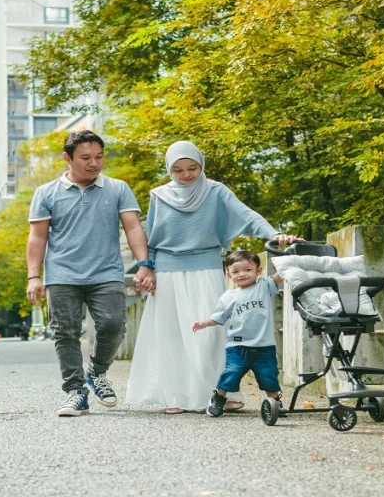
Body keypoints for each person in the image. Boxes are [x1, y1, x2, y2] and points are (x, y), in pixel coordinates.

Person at [126, 141, 297, 414]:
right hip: (167, 271)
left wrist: (274, 234)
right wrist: (147, 268)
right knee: (172, 335)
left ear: (201, 165)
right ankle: (176, 396)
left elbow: (247, 216)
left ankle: (222, 393)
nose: (186, 175)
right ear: (169, 169)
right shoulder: (159, 195)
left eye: (192, 168)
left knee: (213, 333)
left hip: (206, 267)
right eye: (178, 170)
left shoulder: (216, 191)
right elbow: (152, 238)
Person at [26, 130, 156, 417]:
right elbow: (37, 237)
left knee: (113, 324)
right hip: (62, 275)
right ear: (67, 158)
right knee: (65, 332)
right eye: (85, 158)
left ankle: (96, 371)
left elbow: (133, 228)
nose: (94, 163)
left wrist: (145, 264)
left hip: (106, 272)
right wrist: (34, 276)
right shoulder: (46, 193)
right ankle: (76, 392)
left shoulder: (118, 188)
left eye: (99, 156)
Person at [192, 251, 283, 417]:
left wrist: (284, 251)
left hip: (264, 346)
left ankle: (275, 403)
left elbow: (282, 274)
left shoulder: (264, 286)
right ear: (229, 274)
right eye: (236, 271)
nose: (242, 274)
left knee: (269, 375)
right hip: (237, 346)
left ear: (258, 270)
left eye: (247, 270)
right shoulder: (228, 297)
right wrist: (204, 323)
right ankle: (218, 398)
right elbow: (218, 317)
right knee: (231, 374)